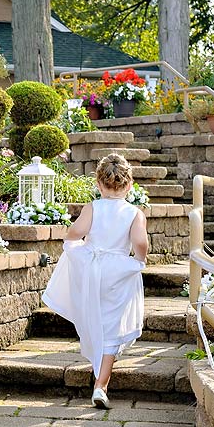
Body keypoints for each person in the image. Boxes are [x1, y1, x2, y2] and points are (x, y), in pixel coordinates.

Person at [42, 153, 149, 409]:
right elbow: (141, 243)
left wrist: (74, 243)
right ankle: (101, 385)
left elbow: (76, 232)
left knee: (93, 318)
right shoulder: (135, 213)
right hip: (117, 271)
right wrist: (139, 261)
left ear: (99, 184)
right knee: (112, 328)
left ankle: (98, 377)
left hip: (93, 269)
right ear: (129, 184)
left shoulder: (93, 207)